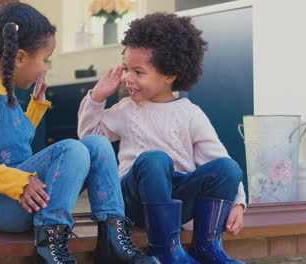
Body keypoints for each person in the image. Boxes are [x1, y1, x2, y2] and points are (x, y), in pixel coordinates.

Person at [0, 3, 159, 264]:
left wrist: (35, 108)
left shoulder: (6, 91)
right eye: (45, 60)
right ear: (21, 57)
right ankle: (50, 245)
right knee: (71, 148)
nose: (46, 68)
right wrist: (19, 181)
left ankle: (113, 239)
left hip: (23, 197)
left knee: (97, 143)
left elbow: (12, 140)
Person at [78, 12, 247, 264]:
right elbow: (91, 139)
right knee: (156, 160)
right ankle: (165, 250)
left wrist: (238, 204)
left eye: (138, 72)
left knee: (227, 167)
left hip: (173, 204)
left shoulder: (190, 113)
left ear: (169, 75)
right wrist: (97, 98)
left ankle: (207, 247)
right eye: (126, 69)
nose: (128, 78)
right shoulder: (126, 109)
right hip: (132, 201)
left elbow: (218, 157)